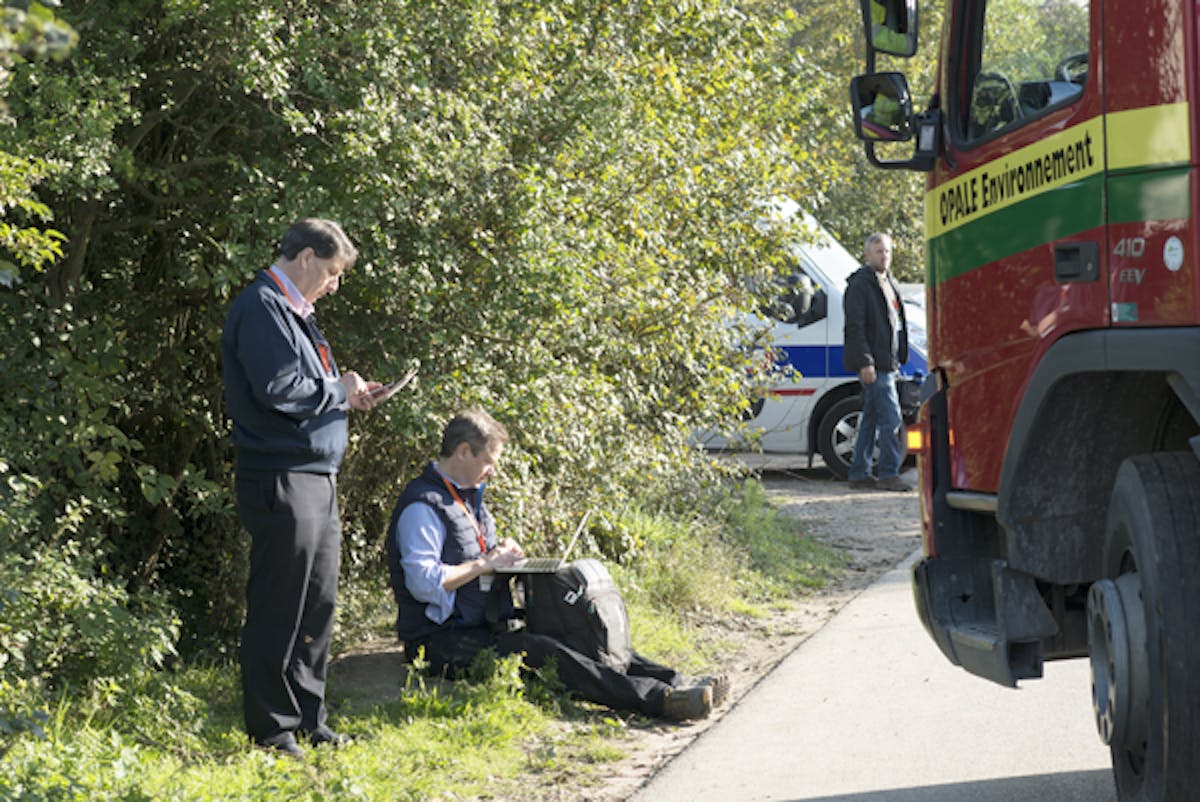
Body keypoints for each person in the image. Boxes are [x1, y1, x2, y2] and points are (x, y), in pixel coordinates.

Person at [385, 408, 727, 721]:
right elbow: (423, 582)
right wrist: (485, 563)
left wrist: (504, 555)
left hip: (486, 625)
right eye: (488, 461)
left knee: (575, 634)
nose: (493, 471)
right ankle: (660, 701)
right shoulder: (422, 506)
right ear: (463, 451)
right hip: (440, 642)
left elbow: (476, 555)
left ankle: (679, 682)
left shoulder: (470, 497)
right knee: (543, 652)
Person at [222, 218, 383, 757]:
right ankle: (271, 730)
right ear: (308, 257)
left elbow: (308, 388)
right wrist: (338, 389)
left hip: (316, 477)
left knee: (317, 606)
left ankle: (310, 720)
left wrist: (346, 394)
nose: (335, 286)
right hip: (281, 475)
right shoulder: (262, 306)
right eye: (333, 272)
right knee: (280, 605)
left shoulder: (297, 315)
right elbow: (279, 389)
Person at [843, 233, 912, 492]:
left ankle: (859, 472)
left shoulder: (889, 281)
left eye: (887, 251)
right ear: (867, 255)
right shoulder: (860, 285)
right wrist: (865, 362)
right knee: (891, 419)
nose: (884, 256)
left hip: (889, 362)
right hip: (875, 364)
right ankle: (888, 474)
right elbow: (855, 327)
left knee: (870, 419)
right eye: (879, 251)